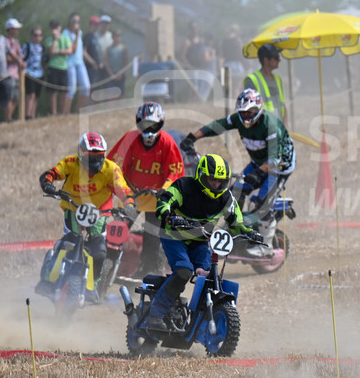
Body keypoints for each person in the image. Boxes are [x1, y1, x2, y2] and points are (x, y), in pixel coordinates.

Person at [144, 153, 261, 332]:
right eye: (212, 179)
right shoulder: (184, 186)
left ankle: (199, 320)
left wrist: (249, 233)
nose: (216, 184)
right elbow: (164, 201)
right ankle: (156, 314)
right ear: (201, 176)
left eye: (220, 181)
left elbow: (236, 222)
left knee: (210, 277)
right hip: (174, 237)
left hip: (200, 241)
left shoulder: (226, 198)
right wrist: (168, 215)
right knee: (184, 271)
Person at [36, 132, 133, 299]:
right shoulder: (70, 163)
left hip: (100, 211)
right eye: (90, 156)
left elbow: (124, 191)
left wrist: (129, 205)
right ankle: (48, 279)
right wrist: (47, 184)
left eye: (98, 156)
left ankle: (93, 287)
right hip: (73, 208)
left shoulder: (111, 169)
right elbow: (51, 174)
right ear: (80, 154)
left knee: (99, 250)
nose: (94, 161)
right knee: (68, 242)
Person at [179, 88, 296, 214]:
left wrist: (258, 173)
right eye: (243, 112)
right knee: (235, 193)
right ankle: (235, 222)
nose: (246, 116)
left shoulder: (270, 126)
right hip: (258, 163)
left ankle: (275, 208)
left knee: (262, 206)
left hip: (279, 167)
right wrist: (192, 138)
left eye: (249, 112)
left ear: (258, 109)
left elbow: (274, 158)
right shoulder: (237, 120)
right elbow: (218, 125)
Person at [108, 102, 185, 276]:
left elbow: (175, 171)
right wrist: (123, 189)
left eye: (153, 125)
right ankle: (105, 268)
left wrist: (164, 190)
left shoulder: (167, 142)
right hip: (131, 195)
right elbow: (114, 166)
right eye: (144, 125)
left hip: (156, 197)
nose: (149, 129)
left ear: (161, 124)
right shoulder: (130, 139)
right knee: (117, 231)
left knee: (153, 235)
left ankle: (151, 272)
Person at [243, 42, 286, 121]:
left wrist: (285, 126)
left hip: (278, 126)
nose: (279, 60)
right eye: (276, 57)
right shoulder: (252, 80)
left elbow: (283, 106)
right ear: (266, 60)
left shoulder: (279, 81)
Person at [63, 12, 90, 112]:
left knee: (86, 87)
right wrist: (77, 35)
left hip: (80, 63)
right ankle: (66, 113)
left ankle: (78, 111)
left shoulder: (80, 33)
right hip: (70, 64)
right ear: (69, 21)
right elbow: (73, 49)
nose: (76, 23)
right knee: (72, 90)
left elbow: (80, 49)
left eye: (78, 21)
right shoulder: (65, 33)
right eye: (74, 21)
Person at [44, 19, 72, 115]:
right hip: (52, 67)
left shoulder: (65, 38)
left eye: (56, 27)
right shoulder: (49, 39)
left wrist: (58, 51)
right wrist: (55, 40)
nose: (55, 29)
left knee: (64, 91)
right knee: (53, 91)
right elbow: (51, 52)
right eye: (53, 27)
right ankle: (54, 112)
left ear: (60, 27)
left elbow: (69, 51)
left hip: (63, 67)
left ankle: (62, 112)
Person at [3, 19, 26, 121]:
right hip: (8, 73)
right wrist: (17, 60)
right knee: (9, 97)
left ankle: (10, 117)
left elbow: (20, 55)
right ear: (10, 29)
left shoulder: (16, 42)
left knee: (16, 97)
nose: (17, 30)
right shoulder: (4, 41)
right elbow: (6, 58)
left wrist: (19, 60)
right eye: (15, 28)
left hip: (17, 73)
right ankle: (8, 118)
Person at [21, 26, 46, 120]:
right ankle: (27, 115)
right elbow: (21, 58)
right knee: (31, 94)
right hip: (29, 73)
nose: (37, 37)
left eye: (39, 35)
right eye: (35, 35)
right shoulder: (27, 46)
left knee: (36, 96)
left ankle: (32, 115)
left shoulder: (42, 47)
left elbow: (43, 60)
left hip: (40, 74)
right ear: (31, 36)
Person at [104, 28, 129, 97]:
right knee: (111, 95)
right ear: (112, 37)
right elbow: (106, 62)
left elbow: (126, 62)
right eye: (116, 36)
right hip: (111, 74)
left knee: (121, 94)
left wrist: (121, 74)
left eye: (119, 36)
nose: (117, 38)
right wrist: (111, 74)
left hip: (121, 74)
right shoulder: (108, 49)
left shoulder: (123, 48)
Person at [82, 15, 105, 86]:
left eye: (98, 25)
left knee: (94, 88)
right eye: (96, 24)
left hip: (96, 68)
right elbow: (84, 52)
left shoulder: (95, 37)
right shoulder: (87, 36)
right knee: (88, 87)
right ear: (91, 24)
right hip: (89, 67)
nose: (97, 27)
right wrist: (92, 62)